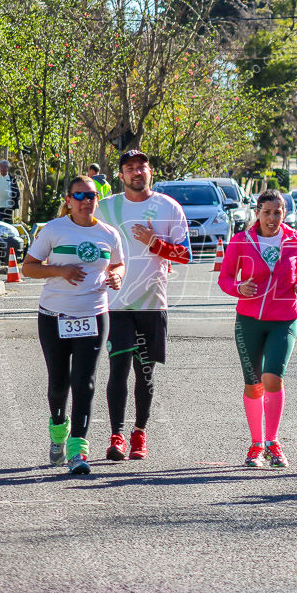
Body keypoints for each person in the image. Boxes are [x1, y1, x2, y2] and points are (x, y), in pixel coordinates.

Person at [21, 176, 125, 474]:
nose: (85, 201)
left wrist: (117, 275)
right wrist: (59, 270)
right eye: (79, 195)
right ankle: (57, 432)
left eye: (90, 195)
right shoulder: (54, 230)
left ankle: (78, 450)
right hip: (54, 316)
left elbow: (118, 263)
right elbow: (28, 268)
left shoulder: (109, 233)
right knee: (59, 382)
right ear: (68, 199)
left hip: (93, 315)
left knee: (85, 382)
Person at [97, 149, 191, 461]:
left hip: (152, 304)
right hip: (116, 304)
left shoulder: (168, 207)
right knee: (118, 370)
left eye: (142, 166)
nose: (137, 172)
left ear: (150, 171)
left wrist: (155, 243)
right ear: (121, 175)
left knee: (145, 372)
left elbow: (185, 254)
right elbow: (91, 243)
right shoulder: (107, 208)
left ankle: (139, 432)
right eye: (130, 168)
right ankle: (116, 436)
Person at [217, 189, 297, 467]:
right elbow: (225, 278)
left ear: (284, 213)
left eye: (278, 212)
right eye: (267, 212)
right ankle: (256, 444)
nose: (272, 218)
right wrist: (239, 287)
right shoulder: (240, 241)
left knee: (273, 378)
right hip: (248, 321)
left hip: (284, 319)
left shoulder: (295, 239)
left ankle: (273, 442)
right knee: (253, 383)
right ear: (257, 212)